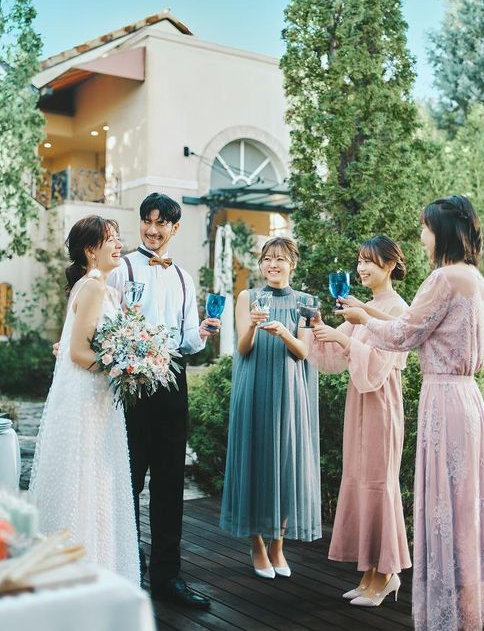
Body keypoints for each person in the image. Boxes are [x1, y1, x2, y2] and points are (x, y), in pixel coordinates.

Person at [337, 196, 484, 630]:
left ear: (442, 232)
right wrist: (366, 310)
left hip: (443, 400)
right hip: (468, 399)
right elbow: (417, 323)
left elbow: (403, 335)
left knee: (445, 507)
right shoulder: (475, 279)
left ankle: (449, 614)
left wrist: (361, 318)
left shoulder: (442, 278)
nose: (422, 238)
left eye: (426, 230)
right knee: (466, 508)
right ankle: (467, 606)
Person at [108, 192, 218, 609]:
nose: (152, 230)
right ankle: (127, 568)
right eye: (146, 221)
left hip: (172, 380)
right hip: (131, 383)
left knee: (170, 483)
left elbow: (187, 340)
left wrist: (202, 333)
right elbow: (106, 323)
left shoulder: (185, 278)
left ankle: (168, 577)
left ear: (175, 228)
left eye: (160, 223)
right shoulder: (120, 268)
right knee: (128, 479)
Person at [30, 215, 139, 582]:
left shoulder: (102, 289)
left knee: (97, 483)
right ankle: (82, 572)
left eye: (118, 237)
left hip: (98, 398)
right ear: (91, 250)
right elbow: (78, 353)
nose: (119, 244)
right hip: (87, 400)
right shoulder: (92, 287)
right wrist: (124, 366)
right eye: (111, 239)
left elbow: (73, 344)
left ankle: (95, 565)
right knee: (86, 480)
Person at [305, 235, 411, 607]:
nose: (361, 268)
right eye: (360, 261)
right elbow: (336, 359)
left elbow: (381, 362)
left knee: (380, 484)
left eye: (369, 261)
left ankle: (386, 575)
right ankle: (369, 575)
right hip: (360, 402)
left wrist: (344, 338)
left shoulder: (398, 308)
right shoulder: (362, 305)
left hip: (382, 401)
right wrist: (320, 329)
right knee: (362, 481)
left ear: (389, 264)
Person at [219, 237, 321, 578]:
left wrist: (283, 333)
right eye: (267, 259)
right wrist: (251, 324)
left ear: (293, 263)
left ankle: (278, 545)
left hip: (289, 391)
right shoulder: (247, 296)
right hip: (254, 385)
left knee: (287, 465)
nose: (272, 265)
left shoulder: (306, 302)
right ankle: (257, 545)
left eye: (280, 259)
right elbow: (243, 349)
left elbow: (303, 352)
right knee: (255, 461)